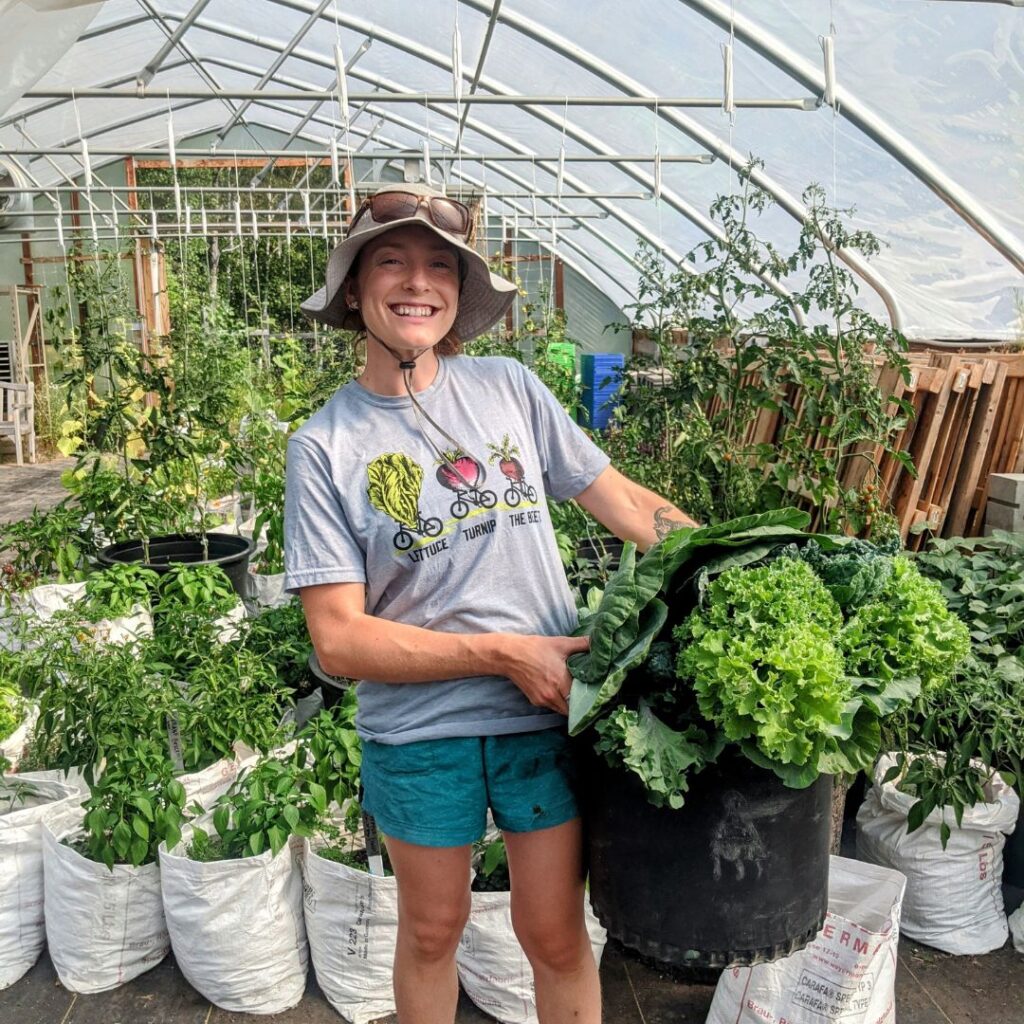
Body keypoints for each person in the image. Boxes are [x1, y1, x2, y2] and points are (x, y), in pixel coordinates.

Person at [284, 182, 697, 1024]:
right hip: (420, 733)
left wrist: (732, 554)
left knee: (554, 935)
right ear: (356, 290)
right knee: (433, 931)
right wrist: (506, 651)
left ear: (459, 295)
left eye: (441, 267)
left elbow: (616, 497)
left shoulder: (508, 389)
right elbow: (339, 641)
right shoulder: (324, 445)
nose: (417, 283)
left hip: (542, 719)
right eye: (391, 263)